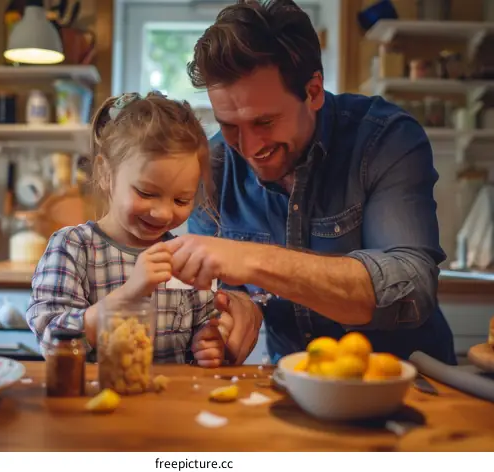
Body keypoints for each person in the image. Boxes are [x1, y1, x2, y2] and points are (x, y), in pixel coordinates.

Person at [166, 0, 457, 365]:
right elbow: (226, 291)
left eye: (265, 122)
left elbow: (410, 290)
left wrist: (255, 260)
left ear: (314, 91)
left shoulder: (384, 139)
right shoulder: (216, 166)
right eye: (229, 126)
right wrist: (236, 314)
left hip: (412, 384)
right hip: (293, 386)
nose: (249, 147)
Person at [25, 91, 262, 367]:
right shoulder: (73, 247)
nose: (162, 213)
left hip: (168, 404)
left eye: (181, 200)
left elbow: (206, 328)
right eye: (146, 193)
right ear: (105, 173)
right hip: (94, 403)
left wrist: (209, 342)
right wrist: (129, 295)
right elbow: (51, 339)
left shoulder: (184, 258)